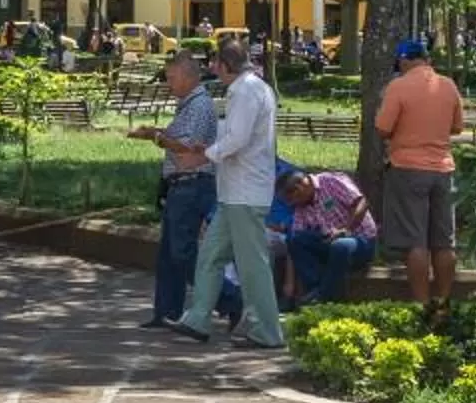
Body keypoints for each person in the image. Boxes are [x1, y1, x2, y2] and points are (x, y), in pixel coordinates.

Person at [175, 39, 283, 349]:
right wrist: (210, 147)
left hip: (245, 193)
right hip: (234, 193)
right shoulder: (253, 88)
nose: (212, 68)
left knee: (252, 266)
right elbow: (235, 133)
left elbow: (238, 139)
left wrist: (203, 156)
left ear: (225, 65)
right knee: (210, 256)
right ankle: (198, 319)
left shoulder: (245, 90)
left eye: (215, 63)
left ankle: (267, 332)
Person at [375, 37, 466, 317]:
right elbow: (458, 127)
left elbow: (383, 127)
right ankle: (443, 304)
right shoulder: (448, 85)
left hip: (407, 168)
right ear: (426, 59)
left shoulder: (398, 86)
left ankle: (422, 306)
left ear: (404, 60)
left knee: (416, 242)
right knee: (444, 241)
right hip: (443, 169)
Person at [130, 51, 219, 328]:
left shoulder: (200, 105)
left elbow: (188, 146)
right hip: (179, 185)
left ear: (189, 77)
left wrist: (156, 137)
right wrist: (155, 133)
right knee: (169, 253)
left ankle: (229, 299)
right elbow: (179, 138)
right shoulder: (187, 105)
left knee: (182, 251)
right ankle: (166, 311)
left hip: (193, 183)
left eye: (171, 78)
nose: (168, 84)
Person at [275, 166, 376, 306]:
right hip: (329, 240)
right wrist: (289, 286)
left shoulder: (330, 181)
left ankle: (326, 297)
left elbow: (362, 202)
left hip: (360, 240)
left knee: (340, 246)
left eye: (291, 200)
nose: (291, 204)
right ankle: (315, 290)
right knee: (295, 240)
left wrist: (346, 230)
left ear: (299, 188)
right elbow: (295, 240)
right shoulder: (300, 206)